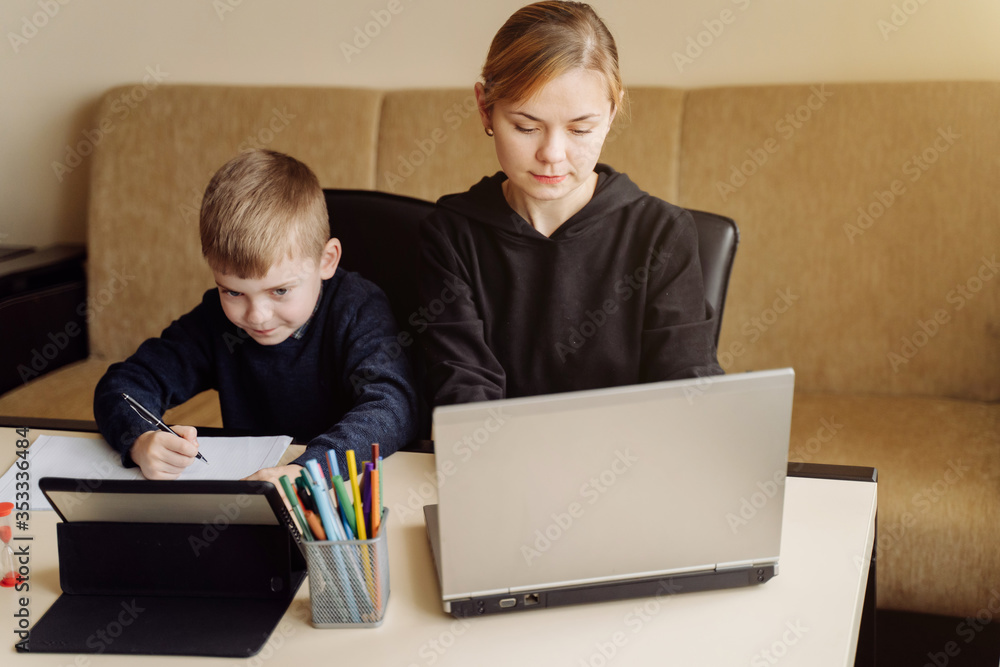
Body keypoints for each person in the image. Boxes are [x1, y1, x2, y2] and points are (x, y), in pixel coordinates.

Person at [418, 1, 723, 407]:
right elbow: (463, 389)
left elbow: (687, 383)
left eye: (580, 129)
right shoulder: (450, 234)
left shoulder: (662, 233)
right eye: (526, 127)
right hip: (501, 460)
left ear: (611, 115)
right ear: (485, 109)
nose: (552, 154)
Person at [94, 149, 418, 486]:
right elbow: (123, 385)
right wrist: (140, 440)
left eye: (280, 291)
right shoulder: (216, 322)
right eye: (233, 292)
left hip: (339, 494)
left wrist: (311, 472)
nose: (256, 316)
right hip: (247, 498)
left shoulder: (357, 308)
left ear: (326, 260)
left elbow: (393, 405)